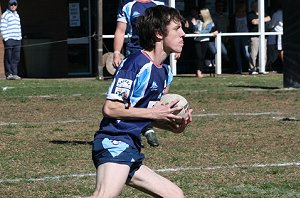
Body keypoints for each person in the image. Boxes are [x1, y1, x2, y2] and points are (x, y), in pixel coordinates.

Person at [86, 5, 192, 198]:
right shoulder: (135, 63)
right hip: (114, 141)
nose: (183, 34)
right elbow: (111, 108)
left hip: (131, 145)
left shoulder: (165, 72)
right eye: (177, 29)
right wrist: (154, 114)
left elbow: (144, 113)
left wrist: (173, 125)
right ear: (159, 34)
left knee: (175, 195)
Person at [112, 0, 168, 147]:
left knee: (157, 90)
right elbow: (120, 30)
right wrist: (117, 53)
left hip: (157, 53)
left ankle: (147, 125)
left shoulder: (159, 4)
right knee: (133, 94)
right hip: (136, 53)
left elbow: (169, 28)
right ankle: (138, 128)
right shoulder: (128, 6)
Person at [191, 8, 218, 78]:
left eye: (201, 13)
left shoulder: (210, 22)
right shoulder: (197, 21)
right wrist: (193, 25)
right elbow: (194, 30)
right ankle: (198, 71)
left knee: (202, 57)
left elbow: (207, 31)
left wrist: (198, 33)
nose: (199, 14)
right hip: (197, 41)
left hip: (205, 40)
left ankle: (199, 71)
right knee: (199, 56)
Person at [247, 0, 271, 75]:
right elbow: (254, 22)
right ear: (252, 7)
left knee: (263, 53)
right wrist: (263, 19)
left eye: (257, 5)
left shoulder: (263, 13)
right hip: (254, 37)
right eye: (255, 6)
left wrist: (259, 20)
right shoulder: (250, 14)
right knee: (254, 53)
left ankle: (261, 68)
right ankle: (252, 68)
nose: (257, 7)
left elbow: (269, 18)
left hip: (264, 36)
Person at [0, 0, 22, 80]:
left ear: (16, 5)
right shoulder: (5, 15)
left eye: (14, 4)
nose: (13, 6)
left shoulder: (17, 15)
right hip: (9, 39)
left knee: (16, 57)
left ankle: (14, 73)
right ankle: (9, 74)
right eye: (11, 4)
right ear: (9, 5)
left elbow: (19, 27)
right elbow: (2, 27)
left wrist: (20, 37)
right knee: (8, 57)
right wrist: (6, 39)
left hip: (17, 39)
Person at [231, 1, 250, 74]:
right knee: (237, 53)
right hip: (237, 35)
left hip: (245, 35)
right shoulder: (234, 15)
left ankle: (251, 67)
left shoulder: (247, 15)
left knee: (246, 53)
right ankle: (239, 69)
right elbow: (232, 25)